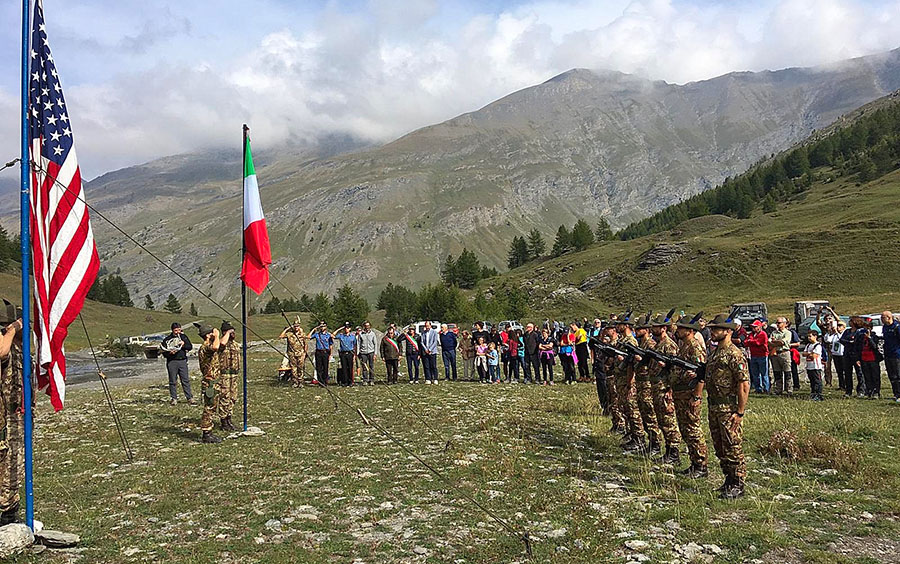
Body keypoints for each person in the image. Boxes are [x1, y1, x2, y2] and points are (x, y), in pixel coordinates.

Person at [703, 314, 750, 499]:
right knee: (720, 447)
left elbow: (743, 384)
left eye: (717, 329)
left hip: (728, 409)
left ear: (728, 331)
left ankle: (738, 483)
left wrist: (740, 411)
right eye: (712, 329)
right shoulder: (715, 353)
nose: (712, 332)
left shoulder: (734, 353)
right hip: (714, 407)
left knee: (732, 446)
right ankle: (729, 480)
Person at [672, 313, 709, 478]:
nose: (677, 330)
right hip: (680, 392)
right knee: (685, 429)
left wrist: (697, 395)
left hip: (690, 393)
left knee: (693, 429)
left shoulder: (694, 346)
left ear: (689, 330)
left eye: (681, 328)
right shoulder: (683, 345)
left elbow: (702, 373)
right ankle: (694, 463)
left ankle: (701, 465)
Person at [0, 300, 25, 524]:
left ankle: (11, 509)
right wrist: (10, 331)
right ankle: (6, 513)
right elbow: (1, 352)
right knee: (7, 463)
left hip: (18, 416)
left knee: (16, 464)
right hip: (5, 419)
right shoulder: (4, 343)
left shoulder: (18, 347)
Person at [648, 313, 681, 465]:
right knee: (661, 420)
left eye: (656, 326)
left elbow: (675, 369)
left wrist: (670, 389)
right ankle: (668, 449)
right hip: (656, 386)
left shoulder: (669, 345)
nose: (653, 328)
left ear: (663, 328)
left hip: (665, 387)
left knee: (669, 421)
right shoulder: (657, 344)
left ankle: (674, 453)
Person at [631, 315, 661, 455]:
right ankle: (650, 441)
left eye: (640, 328)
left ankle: (656, 444)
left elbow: (656, 366)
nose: (636, 330)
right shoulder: (641, 343)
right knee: (644, 413)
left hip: (648, 383)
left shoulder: (650, 345)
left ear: (647, 330)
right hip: (641, 382)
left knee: (650, 414)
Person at [615, 314, 645, 453]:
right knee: (625, 408)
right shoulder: (623, 340)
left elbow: (631, 364)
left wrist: (630, 382)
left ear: (626, 325)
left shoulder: (631, 341)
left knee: (633, 410)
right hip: (621, 378)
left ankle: (639, 438)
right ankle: (633, 435)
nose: (617, 326)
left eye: (620, 324)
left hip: (627, 379)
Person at [197, 325, 223, 444]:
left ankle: (209, 431)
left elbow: (220, 345)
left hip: (213, 381)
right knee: (209, 408)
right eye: (212, 333)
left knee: (212, 407)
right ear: (208, 335)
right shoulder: (206, 347)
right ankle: (206, 433)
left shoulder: (207, 347)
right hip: (210, 383)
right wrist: (216, 335)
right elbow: (216, 346)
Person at [162, 322, 194, 405]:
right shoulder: (167, 339)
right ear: (172, 330)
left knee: (185, 380)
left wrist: (183, 345)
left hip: (182, 361)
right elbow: (163, 351)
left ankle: (189, 398)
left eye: (179, 330)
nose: (178, 332)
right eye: (176, 330)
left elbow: (190, 347)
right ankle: (174, 398)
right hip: (172, 361)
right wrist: (169, 353)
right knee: (173, 381)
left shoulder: (183, 337)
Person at [850, 317, 882, 398]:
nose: (865, 330)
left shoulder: (874, 336)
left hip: (873, 359)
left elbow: (875, 347)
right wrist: (857, 359)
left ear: (871, 329)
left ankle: (876, 392)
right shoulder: (860, 337)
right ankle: (869, 391)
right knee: (867, 376)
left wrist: (869, 338)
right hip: (864, 359)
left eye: (867, 328)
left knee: (875, 376)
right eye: (864, 328)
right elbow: (857, 348)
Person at [216, 321, 240, 431]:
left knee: (233, 397)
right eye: (230, 332)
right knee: (224, 397)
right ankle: (223, 421)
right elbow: (220, 346)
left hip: (234, 375)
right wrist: (226, 334)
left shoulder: (235, 344)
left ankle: (229, 418)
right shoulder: (221, 343)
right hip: (224, 375)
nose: (233, 334)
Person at [877, 311, 900, 402]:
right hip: (887, 354)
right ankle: (896, 393)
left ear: (889, 317)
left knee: (898, 375)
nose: (881, 320)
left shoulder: (897, 327)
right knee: (891, 375)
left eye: (883, 318)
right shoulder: (885, 327)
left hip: (896, 354)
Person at [768, 317, 793, 395]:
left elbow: (783, 342)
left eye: (779, 323)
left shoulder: (788, 333)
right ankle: (778, 389)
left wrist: (774, 341)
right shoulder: (774, 333)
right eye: (777, 323)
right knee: (777, 372)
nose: (777, 324)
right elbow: (769, 342)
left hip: (784, 353)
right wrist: (776, 342)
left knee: (787, 372)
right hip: (775, 354)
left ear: (784, 324)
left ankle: (789, 389)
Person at [279, 319, 307, 387]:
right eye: (295, 326)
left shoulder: (302, 334)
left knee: (300, 368)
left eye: (297, 326)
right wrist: (288, 328)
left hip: (300, 353)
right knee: (293, 368)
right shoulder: (289, 334)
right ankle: (295, 382)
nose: (296, 328)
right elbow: (281, 336)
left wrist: (305, 352)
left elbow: (305, 344)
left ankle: (301, 382)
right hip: (292, 353)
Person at [745, 320, 770, 394]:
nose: (753, 328)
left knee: (764, 373)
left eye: (755, 327)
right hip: (753, 355)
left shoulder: (763, 334)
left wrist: (751, 341)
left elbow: (758, 343)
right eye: (753, 327)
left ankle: (766, 389)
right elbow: (746, 342)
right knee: (755, 373)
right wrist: (752, 341)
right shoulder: (751, 334)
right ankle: (758, 388)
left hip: (762, 355)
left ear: (759, 327)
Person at [334, 322, 357, 387]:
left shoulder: (352, 337)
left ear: (350, 328)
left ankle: (351, 381)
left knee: (350, 368)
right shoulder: (341, 336)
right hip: (343, 353)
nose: (346, 329)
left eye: (347, 328)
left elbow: (355, 346)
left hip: (350, 353)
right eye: (345, 328)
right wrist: (340, 328)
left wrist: (354, 355)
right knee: (344, 368)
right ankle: (345, 381)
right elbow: (333, 335)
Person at [803, 330, 824, 401]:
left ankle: (819, 395)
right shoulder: (808, 345)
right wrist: (810, 353)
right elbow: (803, 354)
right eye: (808, 336)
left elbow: (814, 356)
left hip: (816, 367)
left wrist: (809, 354)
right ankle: (813, 393)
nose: (808, 338)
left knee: (817, 381)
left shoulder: (818, 345)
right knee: (812, 381)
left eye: (810, 336)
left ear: (815, 336)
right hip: (809, 366)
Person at [357, 321, 377, 386]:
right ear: (364, 326)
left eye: (368, 326)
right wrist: (358, 353)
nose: (367, 327)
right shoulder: (361, 334)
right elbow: (358, 344)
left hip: (371, 352)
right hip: (363, 353)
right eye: (366, 326)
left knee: (371, 366)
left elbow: (375, 344)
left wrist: (375, 353)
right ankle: (365, 380)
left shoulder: (373, 334)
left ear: (370, 326)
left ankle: (371, 380)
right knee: (364, 367)